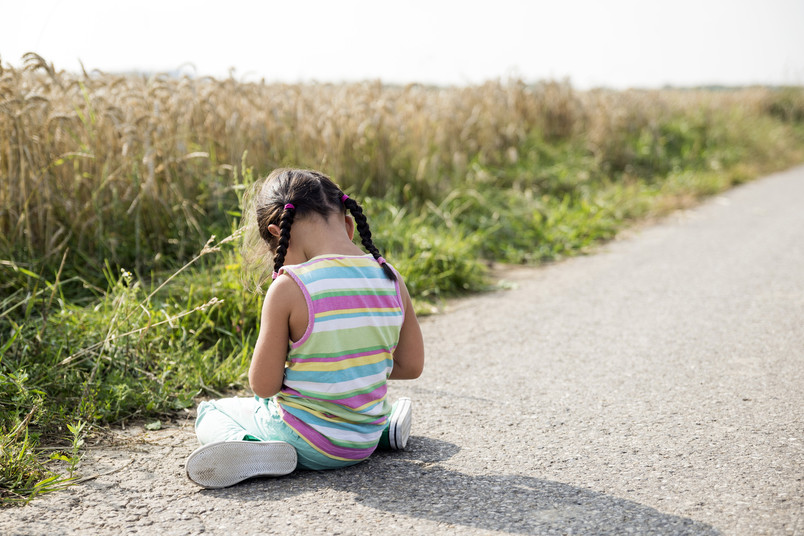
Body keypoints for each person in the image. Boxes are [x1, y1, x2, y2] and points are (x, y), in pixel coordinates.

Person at [185, 168, 425, 488]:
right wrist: (352, 367)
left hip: (311, 443)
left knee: (212, 410)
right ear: (349, 225)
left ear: (277, 233)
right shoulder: (390, 277)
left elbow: (263, 386)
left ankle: (254, 449)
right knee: (352, 402)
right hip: (362, 442)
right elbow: (411, 366)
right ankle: (385, 428)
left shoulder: (290, 286)